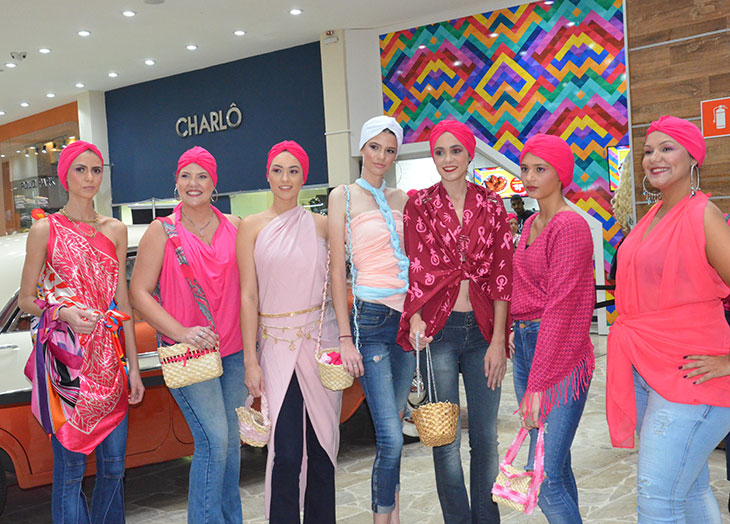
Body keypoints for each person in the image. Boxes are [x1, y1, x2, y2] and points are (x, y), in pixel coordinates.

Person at [607, 115, 730, 522]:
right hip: (648, 368)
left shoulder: (702, 214)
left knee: (657, 500)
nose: (654, 158)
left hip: (693, 376)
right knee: (688, 490)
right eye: (648, 151)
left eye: (667, 148)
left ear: (693, 157)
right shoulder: (654, 215)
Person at [19, 140, 145, 523]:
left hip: (109, 363)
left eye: (96, 170)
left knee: (114, 469)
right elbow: (26, 300)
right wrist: (64, 312)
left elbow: (123, 303)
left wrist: (134, 369)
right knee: (70, 473)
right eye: (80, 169)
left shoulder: (116, 229)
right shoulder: (45, 230)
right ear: (65, 175)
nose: (89, 178)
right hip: (67, 366)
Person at [398, 119, 512, 524]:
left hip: (483, 333)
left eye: (456, 150)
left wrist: (498, 341)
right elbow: (412, 266)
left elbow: (502, 275)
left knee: (486, 440)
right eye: (440, 152)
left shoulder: (492, 205)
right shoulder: (420, 204)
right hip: (438, 333)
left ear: (469, 153)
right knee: (443, 439)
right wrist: (414, 317)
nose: (448, 159)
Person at [129, 146, 245, 524]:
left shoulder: (236, 225)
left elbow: (252, 287)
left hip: (236, 352)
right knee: (214, 441)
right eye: (186, 176)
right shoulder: (161, 230)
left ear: (215, 183)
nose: (194, 184)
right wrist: (180, 332)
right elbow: (138, 293)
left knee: (231, 446)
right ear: (176, 182)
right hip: (188, 354)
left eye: (202, 176)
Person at [238, 141, 341, 523]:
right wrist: (251, 361)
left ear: (304, 177)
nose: (285, 178)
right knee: (286, 453)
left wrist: (346, 340)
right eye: (278, 170)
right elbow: (248, 295)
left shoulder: (322, 225)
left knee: (324, 447)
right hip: (276, 349)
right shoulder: (250, 226)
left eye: (293, 170)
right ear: (267, 174)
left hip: (320, 345)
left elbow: (337, 281)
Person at [328, 115, 414, 523]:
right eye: (375, 147)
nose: (381, 156)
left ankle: (392, 514)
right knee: (391, 437)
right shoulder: (342, 195)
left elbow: (417, 261)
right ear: (361, 147)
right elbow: (336, 271)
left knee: (395, 424)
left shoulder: (403, 199)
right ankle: (382, 517)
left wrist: (420, 315)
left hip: (407, 320)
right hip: (371, 320)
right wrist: (345, 337)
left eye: (390, 150)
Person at [511, 134, 595, 522]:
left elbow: (560, 309)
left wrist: (537, 385)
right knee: (557, 466)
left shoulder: (569, 226)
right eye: (525, 168)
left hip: (559, 355)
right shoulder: (530, 222)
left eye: (539, 169)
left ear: (560, 174)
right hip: (528, 346)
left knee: (543, 477)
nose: (529, 177)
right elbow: (522, 289)